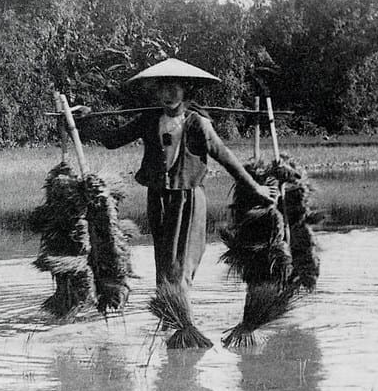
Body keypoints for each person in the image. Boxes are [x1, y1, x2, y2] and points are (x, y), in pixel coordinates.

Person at [95, 58, 276, 291]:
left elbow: (226, 158)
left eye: (173, 89)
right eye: (162, 89)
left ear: (185, 91)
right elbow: (113, 140)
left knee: (180, 269)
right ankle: (170, 314)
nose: (167, 95)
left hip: (188, 200)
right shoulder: (150, 120)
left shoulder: (198, 123)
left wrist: (256, 188)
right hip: (159, 200)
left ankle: (182, 316)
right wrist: (81, 121)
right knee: (164, 266)